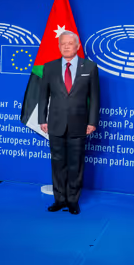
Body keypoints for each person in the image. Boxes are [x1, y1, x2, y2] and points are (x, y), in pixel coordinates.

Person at [39, 31, 100, 215]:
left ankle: (73, 200)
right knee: (57, 163)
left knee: (76, 164)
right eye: (62, 43)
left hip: (79, 124)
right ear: (59, 47)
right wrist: (42, 119)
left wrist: (92, 121)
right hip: (55, 124)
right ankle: (59, 199)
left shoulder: (89, 67)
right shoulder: (49, 67)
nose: (66, 46)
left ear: (77, 46)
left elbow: (95, 97)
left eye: (70, 43)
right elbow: (43, 96)